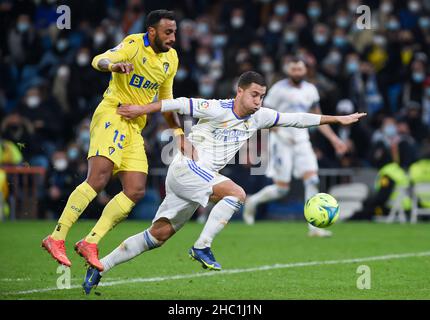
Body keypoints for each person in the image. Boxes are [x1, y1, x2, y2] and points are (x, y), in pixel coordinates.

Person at [81, 71, 366, 294]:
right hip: (187, 168)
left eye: (262, 96)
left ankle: (100, 267)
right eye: (254, 95)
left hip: (197, 179)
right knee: (236, 193)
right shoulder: (217, 108)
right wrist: (142, 109)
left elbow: (297, 118)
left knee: (158, 235)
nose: (258, 102)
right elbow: (179, 103)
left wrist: (337, 119)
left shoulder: (260, 117)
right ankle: (202, 246)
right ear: (239, 91)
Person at [42, 10, 188, 271]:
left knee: (135, 189)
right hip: (114, 113)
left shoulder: (171, 58)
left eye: (175, 32)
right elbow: (99, 59)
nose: (173, 38)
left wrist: (179, 134)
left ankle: (90, 242)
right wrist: (113, 65)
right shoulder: (133, 44)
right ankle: (56, 237)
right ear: (152, 32)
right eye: (168, 32)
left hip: (135, 126)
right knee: (98, 178)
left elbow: (166, 102)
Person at [242, 59, 348, 237]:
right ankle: (253, 201)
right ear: (288, 70)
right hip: (281, 141)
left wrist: (334, 139)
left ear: (305, 70)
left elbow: (318, 118)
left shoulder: (310, 90)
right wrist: (280, 133)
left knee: (312, 180)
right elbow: (263, 115)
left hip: (302, 141)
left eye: (300, 68)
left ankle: (314, 228)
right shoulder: (278, 90)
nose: (297, 72)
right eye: (294, 68)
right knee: (282, 189)